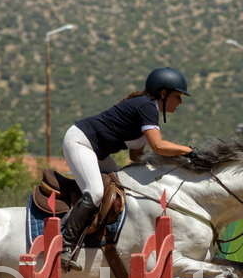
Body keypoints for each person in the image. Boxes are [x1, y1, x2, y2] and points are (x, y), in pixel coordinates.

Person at [60, 67, 194, 265]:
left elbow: (136, 156)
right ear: (163, 93)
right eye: (177, 96)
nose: (180, 102)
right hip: (80, 142)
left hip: (97, 151)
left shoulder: (147, 109)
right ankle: (64, 245)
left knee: (121, 187)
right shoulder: (147, 107)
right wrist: (188, 151)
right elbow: (158, 146)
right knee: (95, 193)